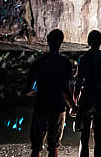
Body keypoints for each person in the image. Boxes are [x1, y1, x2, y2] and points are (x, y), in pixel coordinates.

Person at [27, 29, 74, 157]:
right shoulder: (65, 64)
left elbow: (29, 89)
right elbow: (65, 90)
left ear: (48, 41)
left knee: (36, 146)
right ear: (61, 42)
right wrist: (73, 107)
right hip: (58, 107)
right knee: (53, 146)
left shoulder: (39, 63)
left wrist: (36, 91)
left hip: (41, 105)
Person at [73, 29, 101, 157]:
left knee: (84, 136)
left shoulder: (83, 59)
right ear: (100, 42)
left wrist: (75, 99)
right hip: (100, 98)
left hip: (87, 96)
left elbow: (78, 81)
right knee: (98, 134)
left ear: (89, 42)